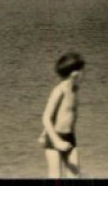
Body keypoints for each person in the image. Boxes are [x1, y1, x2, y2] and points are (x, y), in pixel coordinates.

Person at [40, 51, 84, 179]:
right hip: (55, 137)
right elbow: (46, 117)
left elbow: (59, 114)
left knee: (75, 176)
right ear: (74, 73)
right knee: (55, 176)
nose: (84, 74)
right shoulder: (59, 90)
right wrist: (56, 141)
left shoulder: (75, 90)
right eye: (82, 70)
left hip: (70, 137)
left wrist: (43, 133)